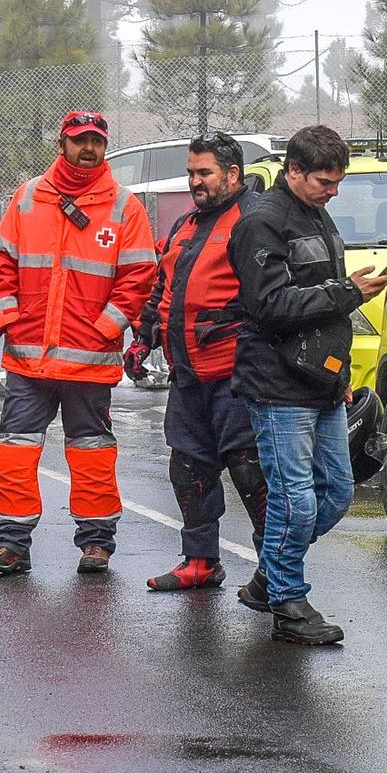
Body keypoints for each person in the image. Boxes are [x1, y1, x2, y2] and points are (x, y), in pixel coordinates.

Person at [227, 126, 387, 646]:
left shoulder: (314, 212)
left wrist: (339, 374)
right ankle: (289, 604)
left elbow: (320, 308)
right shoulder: (261, 222)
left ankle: (269, 578)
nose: (333, 189)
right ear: (293, 171)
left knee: (337, 493)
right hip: (276, 385)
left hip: (320, 381)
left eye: (338, 180)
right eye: (325, 180)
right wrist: (349, 291)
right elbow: (269, 306)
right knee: (294, 501)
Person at [0, 110, 156, 576]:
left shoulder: (123, 206)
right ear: (62, 143)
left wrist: (105, 328)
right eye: (80, 140)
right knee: (15, 450)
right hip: (27, 358)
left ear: (104, 144)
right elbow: (0, 261)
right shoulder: (29, 197)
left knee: (92, 451)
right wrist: (10, 318)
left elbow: (139, 275)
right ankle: (11, 545)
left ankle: (96, 544)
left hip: (88, 361)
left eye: (96, 140)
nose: (88, 149)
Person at [125, 134, 269, 601]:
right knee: (188, 468)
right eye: (191, 173)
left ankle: (274, 573)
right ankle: (201, 562)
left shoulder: (255, 222)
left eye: (203, 173)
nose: (194, 182)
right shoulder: (187, 225)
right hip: (188, 377)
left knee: (252, 474)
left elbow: (274, 300)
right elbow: (163, 289)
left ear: (233, 173)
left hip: (238, 377)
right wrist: (143, 339)